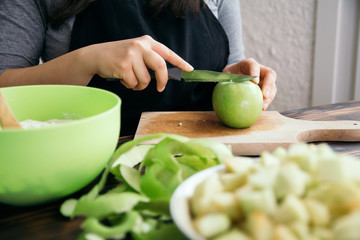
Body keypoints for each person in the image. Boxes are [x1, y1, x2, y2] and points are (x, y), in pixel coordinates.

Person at [0, 0, 277, 136]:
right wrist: (84, 62)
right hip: (87, 162)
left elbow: (230, 63)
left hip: (207, 159)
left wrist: (230, 77)